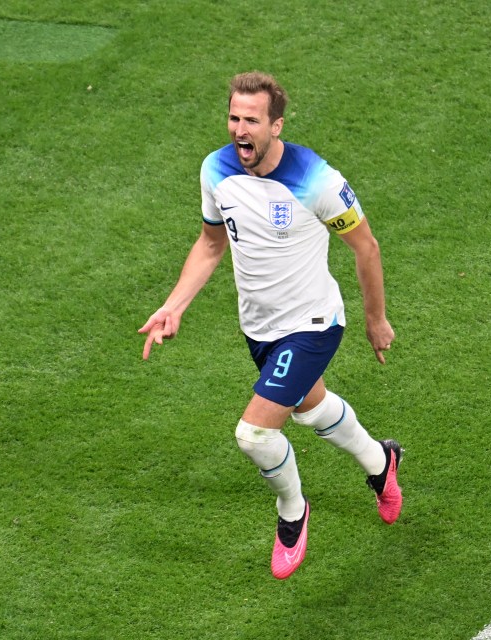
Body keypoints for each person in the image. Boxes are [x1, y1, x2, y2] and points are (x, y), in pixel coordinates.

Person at [139, 71, 402, 580]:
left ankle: (293, 513)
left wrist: (375, 320)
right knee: (311, 407)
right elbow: (211, 243)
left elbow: (365, 247)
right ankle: (381, 463)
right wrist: (175, 306)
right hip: (259, 328)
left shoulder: (317, 180)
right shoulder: (215, 170)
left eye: (251, 120)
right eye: (234, 118)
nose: (240, 129)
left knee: (255, 435)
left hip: (313, 324)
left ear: (275, 126)